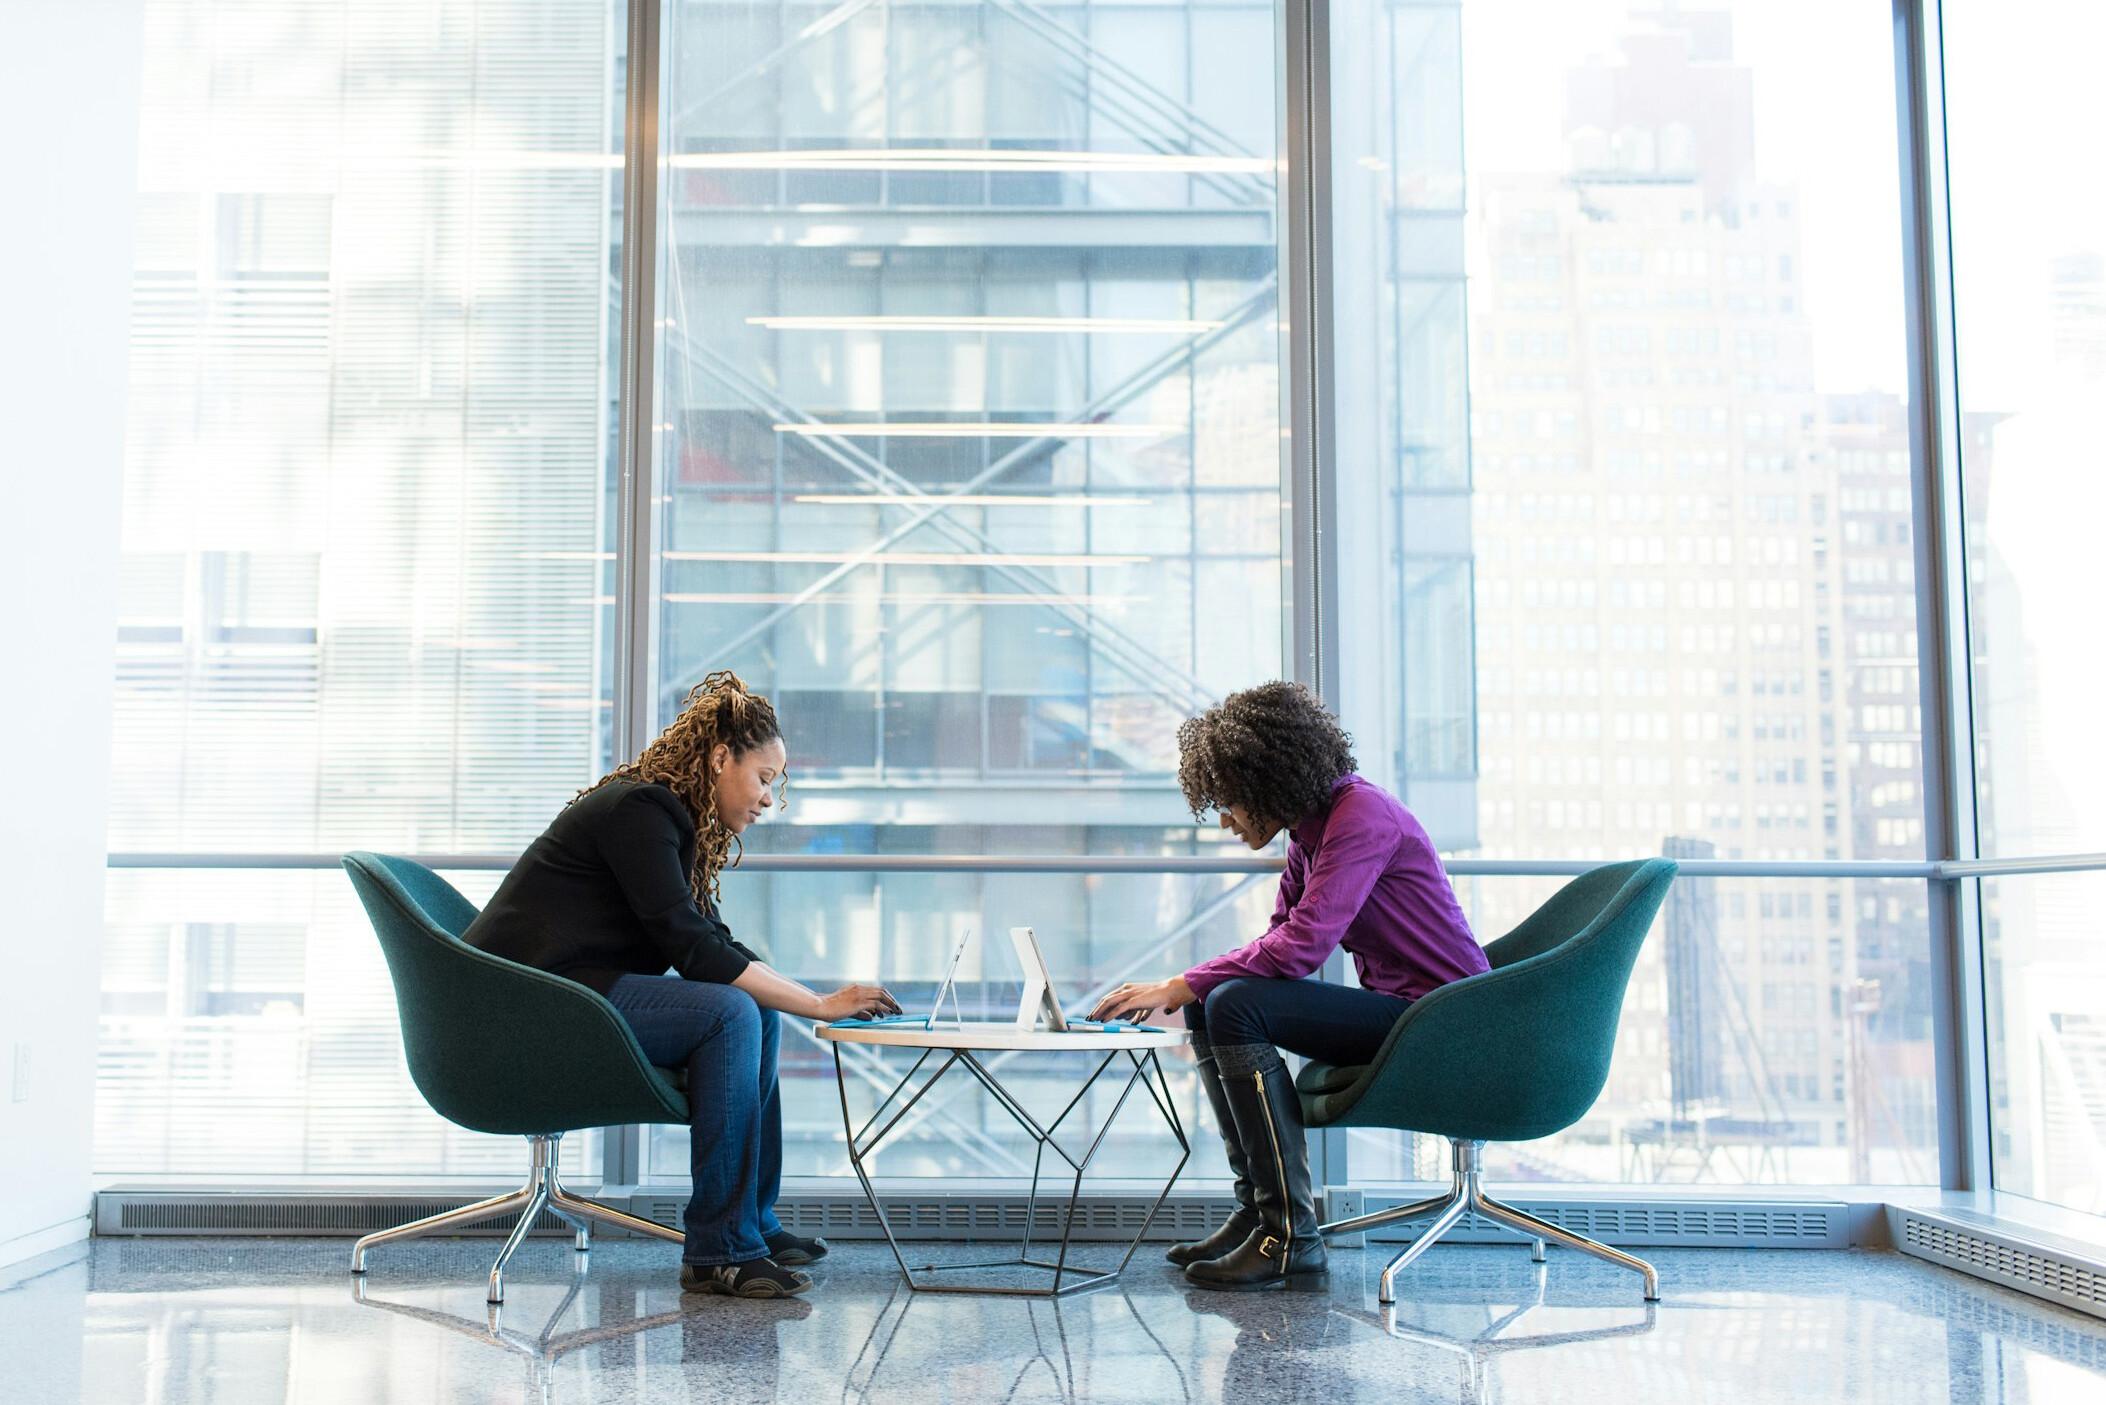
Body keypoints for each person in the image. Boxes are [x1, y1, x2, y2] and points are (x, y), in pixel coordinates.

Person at [465, 670, 899, 1298]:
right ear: (721, 758)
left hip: (571, 992)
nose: (769, 800)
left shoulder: (669, 819)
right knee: (730, 1012)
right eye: (764, 778)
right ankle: (720, 1250)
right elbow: (693, 951)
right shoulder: (641, 811)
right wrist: (818, 1005)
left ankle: (751, 1224)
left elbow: (713, 942)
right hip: (523, 1004)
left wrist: (812, 999)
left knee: (754, 1008)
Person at [1091, 681, 1488, 1292]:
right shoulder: (1312, 831)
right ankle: (1259, 1215)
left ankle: (1290, 1237)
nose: (1225, 820)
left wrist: (1178, 983)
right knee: (1215, 1001)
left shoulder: (1361, 817)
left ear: (1267, 784)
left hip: (1445, 1019)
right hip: (1406, 1011)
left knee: (1230, 1000)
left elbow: (1302, 948)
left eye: (1230, 803)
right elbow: (1280, 935)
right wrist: (1189, 988)